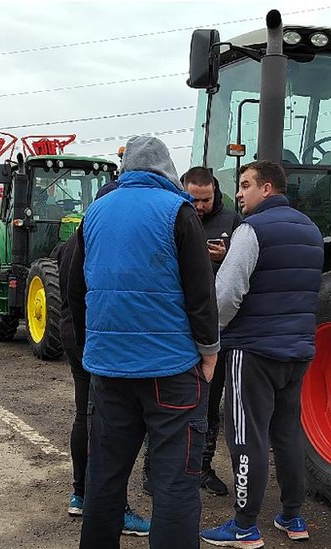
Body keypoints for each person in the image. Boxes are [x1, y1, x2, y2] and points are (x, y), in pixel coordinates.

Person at [68, 136, 219, 549]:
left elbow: (75, 290)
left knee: (105, 477)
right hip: (170, 371)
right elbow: (200, 292)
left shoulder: (94, 213)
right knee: (174, 483)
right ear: (167, 170)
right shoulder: (178, 211)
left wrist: (89, 352)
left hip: (109, 371)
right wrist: (209, 351)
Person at [200, 160, 323, 548]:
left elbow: (227, 293)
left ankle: (244, 525)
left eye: (245, 184)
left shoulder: (251, 230)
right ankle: (292, 516)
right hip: (297, 350)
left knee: (245, 435)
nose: (239, 193)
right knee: (286, 432)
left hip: (252, 351)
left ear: (266, 188)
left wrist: (209, 336)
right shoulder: (311, 230)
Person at [58, 182, 150, 537]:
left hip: (76, 334)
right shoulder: (98, 240)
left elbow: (71, 294)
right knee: (108, 427)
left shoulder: (73, 242)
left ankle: (80, 493)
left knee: (86, 414)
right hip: (94, 338)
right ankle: (114, 507)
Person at [181, 166, 243, 497]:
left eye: (206, 199)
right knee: (172, 402)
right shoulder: (175, 215)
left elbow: (244, 265)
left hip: (217, 328)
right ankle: (162, 468)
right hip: (178, 326)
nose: (201, 206)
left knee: (210, 400)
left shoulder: (231, 221)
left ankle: (203, 467)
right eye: (194, 199)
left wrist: (226, 255)